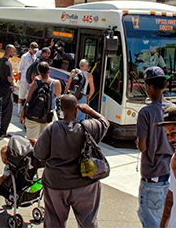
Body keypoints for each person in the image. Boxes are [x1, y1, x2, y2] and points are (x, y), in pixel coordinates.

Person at [34, 95, 109, 227]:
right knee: (88, 221)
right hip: (84, 184)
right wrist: (89, 110)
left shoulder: (52, 129)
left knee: (54, 221)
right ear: (77, 109)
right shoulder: (88, 127)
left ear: (61, 109)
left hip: (56, 183)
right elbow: (105, 122)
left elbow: (39, 154)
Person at [136, 67, 175, 228]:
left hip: (152, 177)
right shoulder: (173, 110)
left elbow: (142, 146)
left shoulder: (146, 113)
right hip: (171, 175)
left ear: (149, 86)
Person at [20, 61, 62, 139]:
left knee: (32, 140)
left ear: (39, 72)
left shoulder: (36, 83)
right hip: (49, 115)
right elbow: (57, 94)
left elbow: (28, 99)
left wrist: (23, 114)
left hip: (33, 115)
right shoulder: (56, 83)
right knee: (48, 141)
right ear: (49, 70)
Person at [0, 44, 15, 138]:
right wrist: (14, 78)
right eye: (13, 51)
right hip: (6, 90)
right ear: (9, 51)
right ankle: (2, 131)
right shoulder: (8, 64)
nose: (14, 53)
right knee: (7, 112)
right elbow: (10, 79)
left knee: (0, 110)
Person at [17, 42, 39, 117]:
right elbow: (20, 69)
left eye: (36, 50)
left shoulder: (35, 56)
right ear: (30, 49)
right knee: (21, 95)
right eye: (34, 50)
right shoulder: (25, 56)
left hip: (31, 79)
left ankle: (27, 110)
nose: (35, 51)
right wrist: (19, 80)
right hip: (24, 78)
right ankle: (19, 110)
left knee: (30, 95)